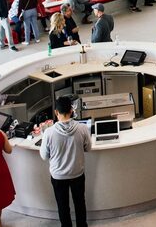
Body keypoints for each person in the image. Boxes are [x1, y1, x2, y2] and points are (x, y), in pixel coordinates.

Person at [40, 95, 92, 227]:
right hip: (77, 174)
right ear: (71, 111)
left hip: (58, 176)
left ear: (56, 112)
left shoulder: (49, 133)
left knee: (63, 206)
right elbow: (88, 148)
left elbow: (44, 156)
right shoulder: (82, 128)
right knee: (80, 203)